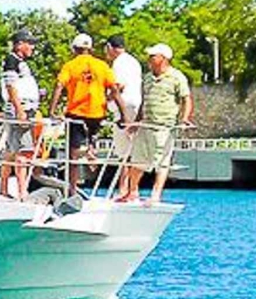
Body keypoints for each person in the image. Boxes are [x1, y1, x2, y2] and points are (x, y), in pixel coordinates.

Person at [118, 43, 194, 204]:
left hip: (163, 126)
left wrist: (185, 118)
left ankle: (155, 195)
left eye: (153, 56)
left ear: (163, 59)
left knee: (162, 161)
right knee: (137, 159)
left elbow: (186, 99)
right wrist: (136, 122)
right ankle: (132, 192)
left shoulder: (177, 77)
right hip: (146, 124)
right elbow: (144, 102)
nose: (149, 59)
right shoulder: (147, 78)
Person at [49, 33, 123, 196]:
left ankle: (72, 190)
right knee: (91, 138)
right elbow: (115, 90)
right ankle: (90, 149)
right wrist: (124, 116)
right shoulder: (102, 65)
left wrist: (52, 110)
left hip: (76, 114)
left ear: (74, 49)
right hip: (97, 114)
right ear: (90, 48)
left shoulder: (70, 66)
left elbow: (59, 86)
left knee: (72, 156)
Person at [0, 29, 41, 200]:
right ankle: (23, 192)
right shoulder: (12, 61)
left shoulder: (20, 62)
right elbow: (10, 86)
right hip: (20, 109)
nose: (32, 47)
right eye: (29, 43)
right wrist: (20, 110)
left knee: (11, 150)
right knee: (24, 151)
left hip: (24, 108)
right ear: (19, 44)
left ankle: (3, 187)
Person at [104, 34, 143, 160]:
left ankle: (124, 180)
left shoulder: (118, 62)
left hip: (123, 110)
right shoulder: (134, 61)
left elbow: (119, 86)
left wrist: (105, 100)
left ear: (109, 47)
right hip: (135, 107)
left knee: (123, 154)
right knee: (132, 151)